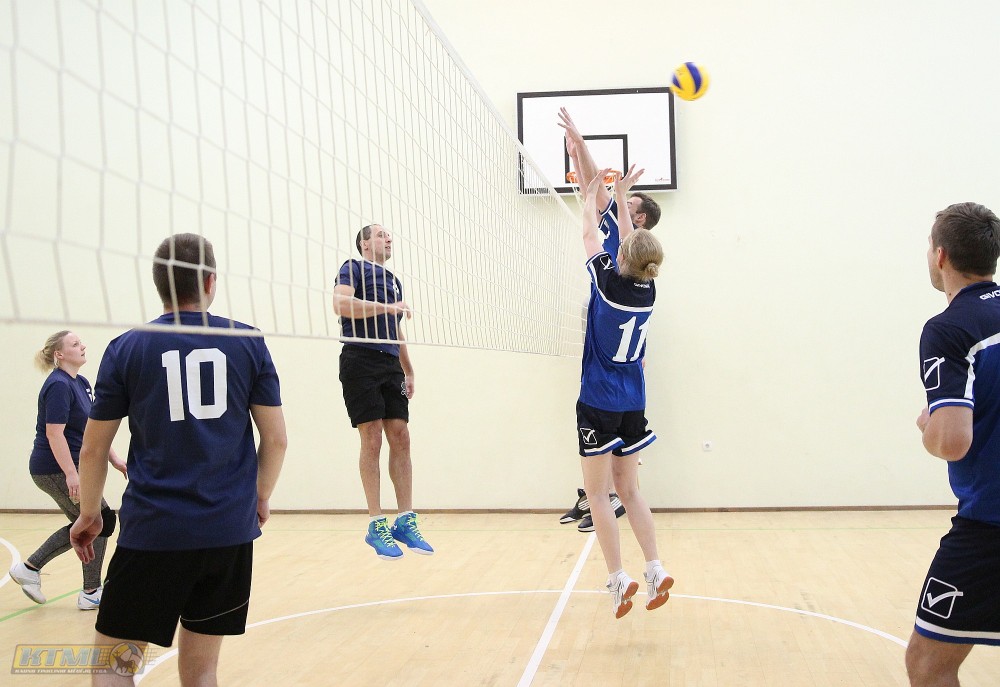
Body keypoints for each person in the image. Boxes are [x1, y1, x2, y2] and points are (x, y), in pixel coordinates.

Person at [69, 233, 287, 687]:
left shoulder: (126, 348)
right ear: (209, 281)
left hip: (154, 532)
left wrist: (90, 513)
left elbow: (92, 449)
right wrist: (260, 496)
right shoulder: (247, 341)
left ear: (158, 285)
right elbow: (276, 439)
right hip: (227, 532)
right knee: (203, 671)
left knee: (113, 667)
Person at [907, 202, 1000, 686]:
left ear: (940, 255)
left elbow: (951, 442)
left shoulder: (950, 328)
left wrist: (929, 423)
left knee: (928, 664)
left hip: (989, 527)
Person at [558, 108, 663, 533]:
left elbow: (595, 186)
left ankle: (605, 495)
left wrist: (581, 145)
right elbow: (594, 182)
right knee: (617, 415)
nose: (619, 197)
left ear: (637, 219)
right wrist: (577, 150)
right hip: (623, 342)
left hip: (610, 330)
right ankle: (605, 493)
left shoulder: (623, 246)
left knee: (600, 408)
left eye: (628, 201)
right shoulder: (640, 265)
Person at [574, 166, 672, 619]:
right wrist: (620, 197)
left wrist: (591, 195)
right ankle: (654, 567)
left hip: (599, 398)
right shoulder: (647, 289)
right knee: (630, 490)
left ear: (622, 256)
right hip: (634, 400)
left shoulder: (607, 283)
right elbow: (626, 244)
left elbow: (589, 233)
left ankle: (618, 577)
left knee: (598, 496)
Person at [332, 224, 433, 560]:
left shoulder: (393, 281)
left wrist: (409, 369)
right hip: (359, 358)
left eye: (389, 235)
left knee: (401, 436)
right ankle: (376, 523)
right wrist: (386, 307)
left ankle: (405, 520)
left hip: (390, 364)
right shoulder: (352, 267)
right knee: (372, 438)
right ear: (364, 244)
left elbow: (395, 329)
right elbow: (341, 305)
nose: (388, 238)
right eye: (379, 235)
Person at [8, 331, 127, 610]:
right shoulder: (58, 385)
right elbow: (54, 434)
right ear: (59, 354)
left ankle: (31, 568)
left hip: (74, 467)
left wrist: (114, 459)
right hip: (53, 469)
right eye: (75, 344)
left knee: (95, 521)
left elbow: (91, 429)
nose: (82, 346)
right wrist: (71, 474)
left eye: (80, 342)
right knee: (98, 519)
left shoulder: (80, 383)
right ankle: (89, 590)